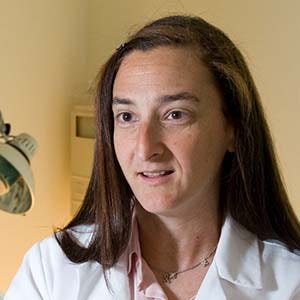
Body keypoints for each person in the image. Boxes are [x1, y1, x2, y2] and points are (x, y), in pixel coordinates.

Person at [5, 15, 300, 300]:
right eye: (127, 116)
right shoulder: (50, 271)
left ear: (232, 128)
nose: (145, 149)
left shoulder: (291, 284)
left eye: (175, 114)